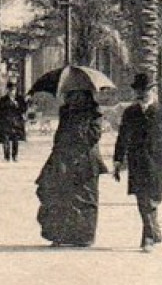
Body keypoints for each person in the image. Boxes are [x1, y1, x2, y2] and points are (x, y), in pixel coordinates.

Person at [113, 73, 162, 252]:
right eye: (139, 91)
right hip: (136, 161)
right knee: (142, 199)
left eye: (145, 90)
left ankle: (153, 232)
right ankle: (149, 237)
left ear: (153, 91)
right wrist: (117, 160)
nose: (142, 94)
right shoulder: (130, 112)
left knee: (153, 199)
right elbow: (122, 137)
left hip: (157, 162)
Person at [35, 88, 108, 247]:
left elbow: (93, 136)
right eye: (71, 95)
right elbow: (60, 135)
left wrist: (77, 131)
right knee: (59, 197)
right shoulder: (65, 111)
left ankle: (83, 237)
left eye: (77, 95)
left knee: (85, 199)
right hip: (64, 159)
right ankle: (59, 235)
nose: (73, 98)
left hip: (86, 162)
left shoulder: (95, 113)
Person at [0, 86, 27, 163]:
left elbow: (24, 109)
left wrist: (18, 105)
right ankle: (6, 157)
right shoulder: (3, 99)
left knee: (15, 140)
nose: (12, 92)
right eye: (10, 90)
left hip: (16, 123)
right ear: (7, 91)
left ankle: (14, 156)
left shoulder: (19, 99)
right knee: (5, 140)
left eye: (13, 90)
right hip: (5, 122)